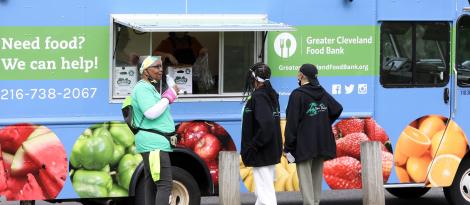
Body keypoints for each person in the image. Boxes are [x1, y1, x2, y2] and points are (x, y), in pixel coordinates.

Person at [284, 63, 343, 205]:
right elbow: (337, 108)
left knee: (305, 180)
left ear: (302, 76)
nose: (297, 74)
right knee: (316, 179)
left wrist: (288, 147)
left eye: (298, 72)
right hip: (322, 142)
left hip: (304, 145)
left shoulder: (297, 95)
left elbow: (292, 123)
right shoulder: (321, 92)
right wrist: (322, 123)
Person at [131, 56, 179, 205]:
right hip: (154, 146)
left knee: (152, 184)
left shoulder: (148, 87)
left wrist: (170, 93)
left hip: (153, 144)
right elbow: (150, 113)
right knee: (164, 185)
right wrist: (169, 96)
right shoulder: (142, 88)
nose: (160, 69)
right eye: (156, 67)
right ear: (145, 71)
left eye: (161, 66)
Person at [240, 63, 282, 205]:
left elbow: (267, 125)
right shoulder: (270, 95)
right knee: (262, 191)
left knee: (266, 193)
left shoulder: (259, 97)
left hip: (262, 152)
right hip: (269, 150)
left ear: (255, 79)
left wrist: (253, 146)